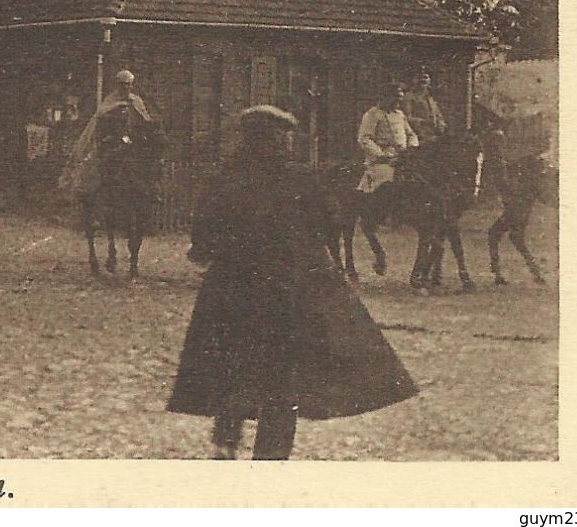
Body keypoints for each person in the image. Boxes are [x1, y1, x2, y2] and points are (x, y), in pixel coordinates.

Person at [168, 105, 419, 459]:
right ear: (270, 140)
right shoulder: (300, 179)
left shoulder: (224, 177)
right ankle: (271, 458)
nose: (287, 144)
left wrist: (219, 256)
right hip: (285, 296)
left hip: (233, 292)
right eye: (282, 138)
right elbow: (330, 223)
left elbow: (203, 238)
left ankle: (226, 437)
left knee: (233, 367)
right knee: (282, 382)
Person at [357, 82, 417, 193]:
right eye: (396, 98)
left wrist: (412, 148)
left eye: (401, 98)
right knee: (385, 186)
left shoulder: (400, 115)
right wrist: (382, 155)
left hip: (403, 157)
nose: (399, 101)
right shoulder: (372, 114)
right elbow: (364, 139)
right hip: (382, 161)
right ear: (386, 96)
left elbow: (411, 134)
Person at [402, 71, 448, 146]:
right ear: (414, 80)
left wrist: (441, 124)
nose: (423, 80)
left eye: (426, 77)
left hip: (434, 136)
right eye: (420, 77)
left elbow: (438, 115)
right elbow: (407, 118)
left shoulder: (431, 97)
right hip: (418, 136)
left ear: (429, 80)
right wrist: (423, 122)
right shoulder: (409, 97)